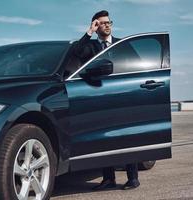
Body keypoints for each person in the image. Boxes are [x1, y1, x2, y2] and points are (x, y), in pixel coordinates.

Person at [73, 10, 140, 190]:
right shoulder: (91, 47)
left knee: (126, 136)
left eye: (109, 22)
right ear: (96, 26)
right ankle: (108, 179)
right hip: (101, 98)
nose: (107, 25)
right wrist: (89, 32)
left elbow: (138, 64)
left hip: (123, 96)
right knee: (105, 137)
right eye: (102, 23)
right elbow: (76, 53)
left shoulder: (122, 45)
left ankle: (133, 177)